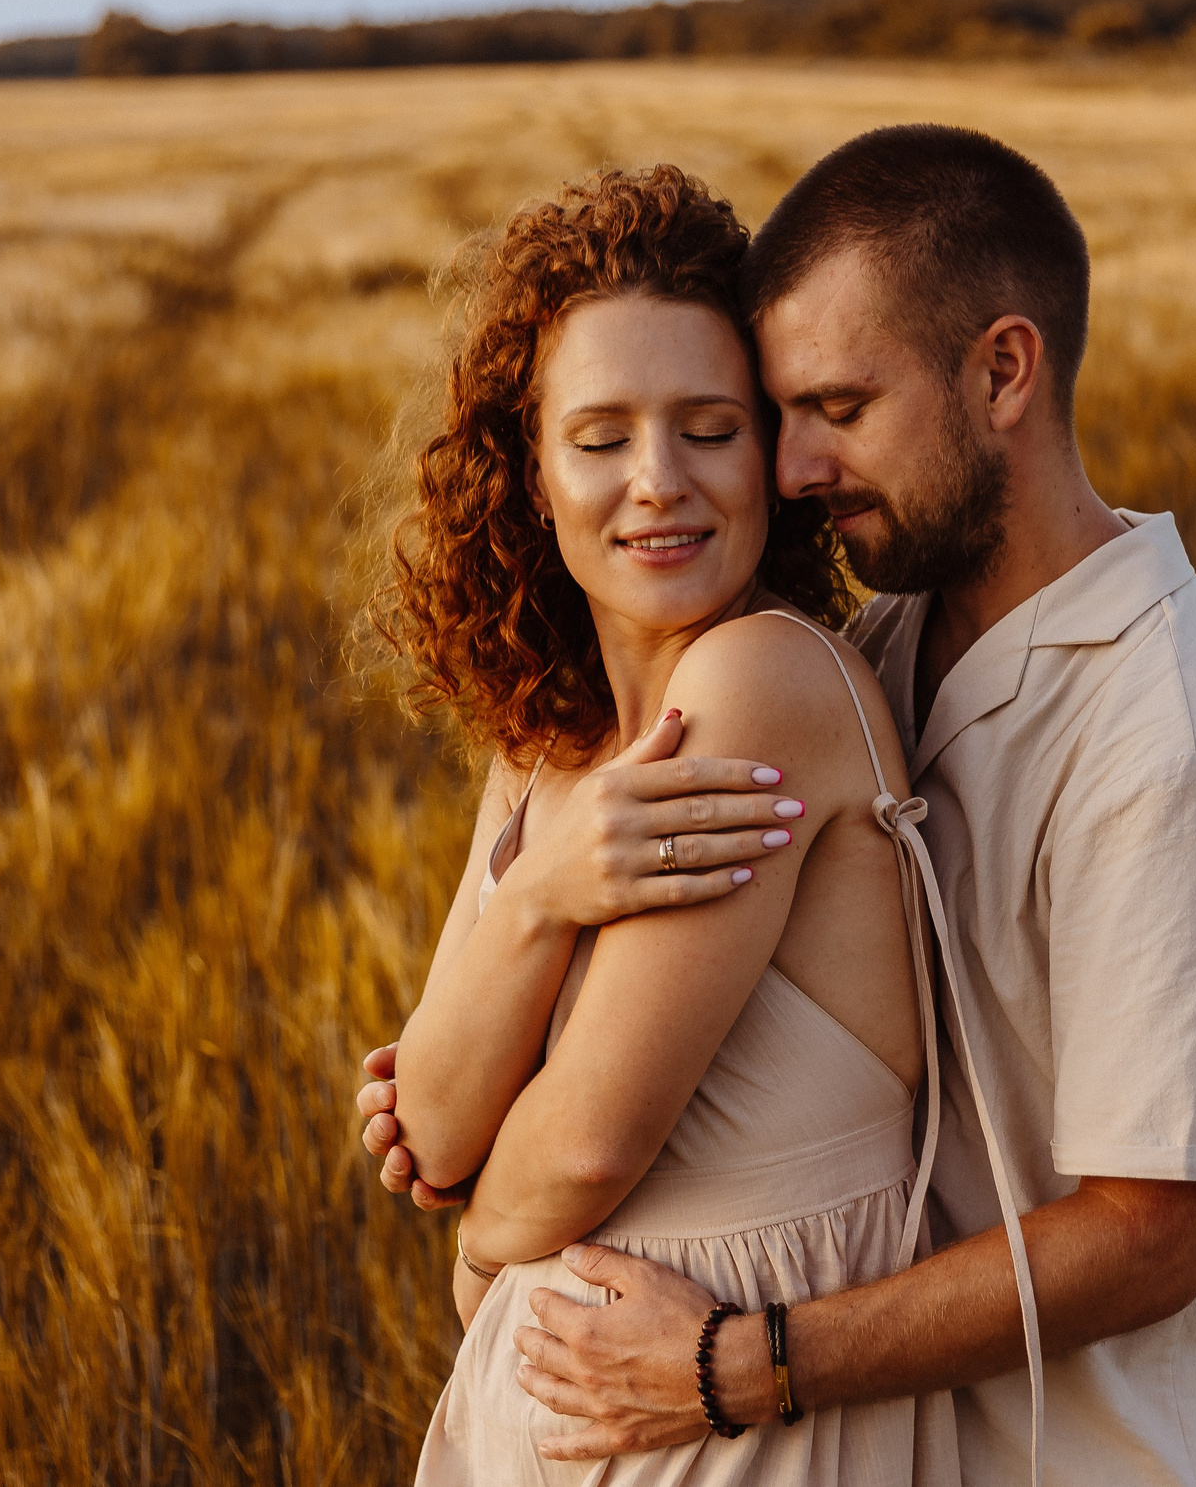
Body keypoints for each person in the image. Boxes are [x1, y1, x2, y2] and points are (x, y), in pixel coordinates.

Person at [361, 125, 1196, 1487]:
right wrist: (532, 912)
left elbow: (1148, 1238)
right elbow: (456, 1114)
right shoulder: (895, 642)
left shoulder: (1181, 738)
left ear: (1003, 372)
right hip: (882, 1432)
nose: (787, 471)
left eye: (831, 409)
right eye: (780, 419)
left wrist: (733, 1355)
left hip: (1082, 1462)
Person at [371, 161, 976, 1484]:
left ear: (773, 450)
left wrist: (481, 1250)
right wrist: (541, 894)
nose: (659, 482)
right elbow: (432, 1121)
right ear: (531, 474)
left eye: (710, 427)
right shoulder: (546, 746)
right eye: (599, 438)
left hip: (739, 1427)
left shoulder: (762, 685)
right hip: (580, 1422)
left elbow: (582, 1147)